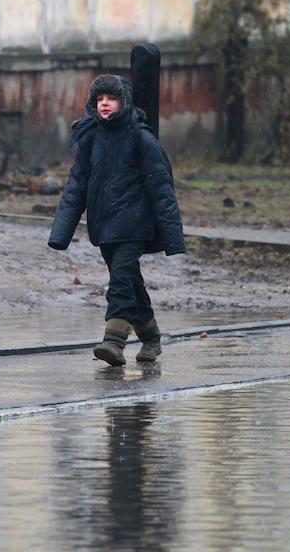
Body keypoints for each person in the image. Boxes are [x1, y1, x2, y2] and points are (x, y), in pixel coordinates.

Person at [48, 74, 185, 366]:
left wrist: (173, 236)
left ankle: (113, 341)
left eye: (111, 98)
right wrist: (61, 232)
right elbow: (76, 186)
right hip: (103, 226)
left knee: (120, 280)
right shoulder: (90, 137)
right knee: (130, 281)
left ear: (124, 102)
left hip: (135, 224)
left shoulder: (141, 138)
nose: (105, 103)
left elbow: (161, 187)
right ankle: (151, 338)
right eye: (99, 98)